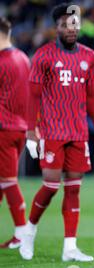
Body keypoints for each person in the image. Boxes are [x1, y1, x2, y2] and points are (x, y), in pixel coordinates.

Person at [20, 3, 94, 261]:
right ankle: (29, 231)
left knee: (73, 188)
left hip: (79, 132)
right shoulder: (43, 55)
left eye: (75, 24)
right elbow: (33, 96)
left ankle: (70, 247)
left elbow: (91, 96)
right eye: (65, 24)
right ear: (55, 27)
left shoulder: (89, 56)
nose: (71, 29)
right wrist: (30, 131)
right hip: (51, 131)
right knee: (50, 185)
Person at [0, 17, 30, 249]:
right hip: (20, 127)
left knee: (8, 181)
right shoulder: (23, 58)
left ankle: (21, 233)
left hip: (4, 128)